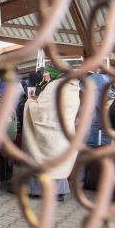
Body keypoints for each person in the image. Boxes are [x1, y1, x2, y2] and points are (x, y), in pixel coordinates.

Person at [23, 70, 80, 202]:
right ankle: (58, 192)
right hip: (65, 134)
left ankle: (39, 191)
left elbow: (42, 111)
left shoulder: (55, 86)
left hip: (49, 132)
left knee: (42, 160)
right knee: (58, 163)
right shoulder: (74, 89)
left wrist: (30, 102)